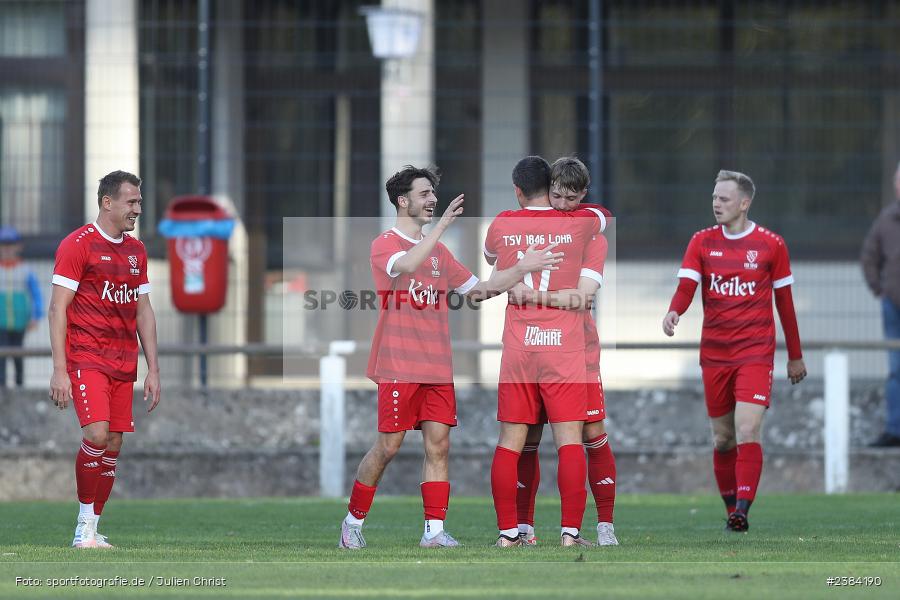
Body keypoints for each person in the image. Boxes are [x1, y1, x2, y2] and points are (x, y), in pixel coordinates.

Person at [338, 165, 562, 550]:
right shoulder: (385, 244)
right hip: (398, 364)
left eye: (432, 194)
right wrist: (439, 228)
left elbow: (481, 290)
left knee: (439, 446)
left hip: (437, 365)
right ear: (402, 200)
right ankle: (352, 524)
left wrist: (521, 268)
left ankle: (434, 532)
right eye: (425, 194)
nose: (432, 200)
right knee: (388, 447)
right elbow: (406, 265)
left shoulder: (440, 253)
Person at [662, 169, 806, 532]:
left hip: (755, 352)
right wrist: (674, 310)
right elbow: (686, 287)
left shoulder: (772, 245)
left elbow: (785, 305)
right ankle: (731, 509)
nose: (716, 204)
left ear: (745, 203)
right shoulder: (702, 242)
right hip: (714, 353)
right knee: (722, 438)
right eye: (714, 198)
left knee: (747, 429)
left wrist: (794, 354)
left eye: (724, 199)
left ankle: (743, 508)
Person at [483, 156, 604, 547]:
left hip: (519, 347)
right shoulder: (580, 224)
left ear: (518, 190)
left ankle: (508, 534)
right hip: (563, 348)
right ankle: (570, 533)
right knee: (569, 441)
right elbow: (601, 218)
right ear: (552, 188)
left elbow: (490, 259)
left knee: (510, 441)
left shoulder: (502, 223)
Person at [49, 170, 161, 548]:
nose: (138, 209)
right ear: (107, 202)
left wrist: (154, 370)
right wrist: (59, 370)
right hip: (86, 357)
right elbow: (57, 309)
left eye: (139, 202)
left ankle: (94, 527)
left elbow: (144, 311)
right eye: (131, 202)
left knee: (113, 443)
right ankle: (83, 526)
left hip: (123, 360)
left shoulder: (136, 250)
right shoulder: (77, 245)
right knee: (95, 434)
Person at [861, 161, 900, 447]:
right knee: (896, 370)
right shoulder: (886, 220)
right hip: (893, 307)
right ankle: (895, 429)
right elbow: (868, 258)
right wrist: (881, 291)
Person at [0, 226, 43, 387]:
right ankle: (2, 388)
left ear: (18, 246)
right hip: (1, 322)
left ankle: (19, 385)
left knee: (18, 354)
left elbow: (36, 295)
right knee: (2, 355)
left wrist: (35, 316)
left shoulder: (25, 270)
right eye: (4, 245)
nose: (7, 249)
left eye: (10, 245)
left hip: (20, 321)